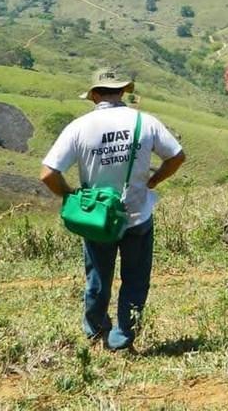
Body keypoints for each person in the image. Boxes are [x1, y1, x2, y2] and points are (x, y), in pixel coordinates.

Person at [40, 68, 186, 350]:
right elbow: (177, 157)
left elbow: (47, 173)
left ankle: (96, 332)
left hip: (97, 219)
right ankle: (123, 338)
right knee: (135, 279)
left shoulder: (79, 127)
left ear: (94, 95)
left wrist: (71, 196)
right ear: (122, 92)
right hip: (138, 215)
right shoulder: (145, 121)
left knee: (97, 278)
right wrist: (153, 180)